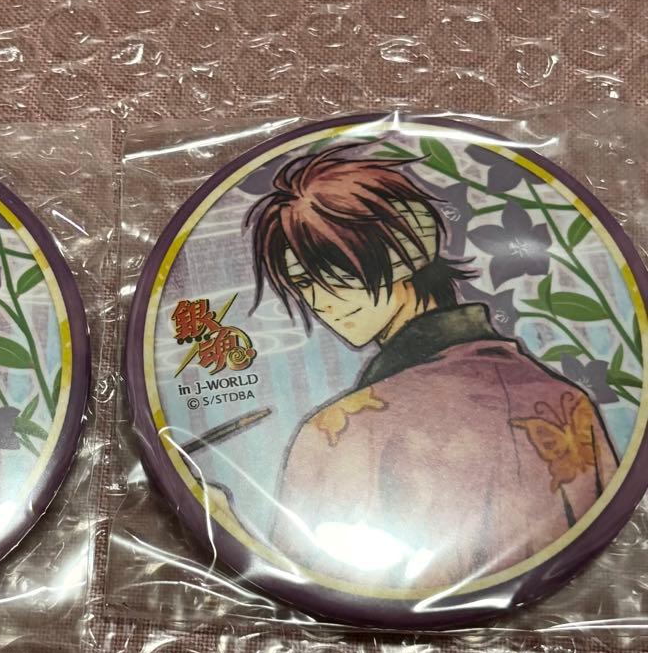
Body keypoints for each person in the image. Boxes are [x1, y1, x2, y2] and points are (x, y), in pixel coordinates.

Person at [247, 146, 617, 592]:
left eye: (338, 271)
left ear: (408, 252)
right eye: (305, 283)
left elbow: (307, 586)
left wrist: (230, 530)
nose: (320, 301)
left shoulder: (345, 430)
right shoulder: (567, 400)